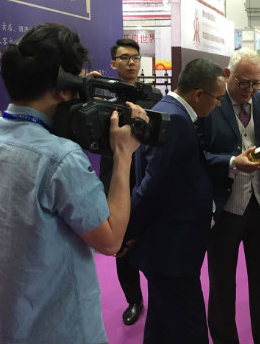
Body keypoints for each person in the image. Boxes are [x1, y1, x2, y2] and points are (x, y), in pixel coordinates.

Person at [0, 23, 145, 344]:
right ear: (64, 87)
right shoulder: (60, 158)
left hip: (1, 322)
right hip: (61, 328)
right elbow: (111, 240)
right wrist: (123, 154)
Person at [125, 58, 226, 344]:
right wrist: (128, 232)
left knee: (160, 323)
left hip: (166, 246)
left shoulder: (165, 110)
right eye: (217, 98)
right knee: (189, 327)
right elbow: (153, 185)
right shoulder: (178, 121)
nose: (219, 105)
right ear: (199, 94)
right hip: (173, 248)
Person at [198, 48, 260, 344]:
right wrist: (231, 162)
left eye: (256, 83)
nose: (250, 90)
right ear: (227, 75)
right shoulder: (210, 104)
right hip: (224, 209)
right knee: (222, 285)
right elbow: (199, 154)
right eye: (243, 83)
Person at [99, 38, 150, 326]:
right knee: (122, 244)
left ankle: (159, 295)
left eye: (135, 57)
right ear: (113, 63)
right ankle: (134, 299)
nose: (132, 62)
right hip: (117, 177)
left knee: (153, 237)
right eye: (125, 58)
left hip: (149, 175)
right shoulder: (101, 95)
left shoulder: (153, 95)